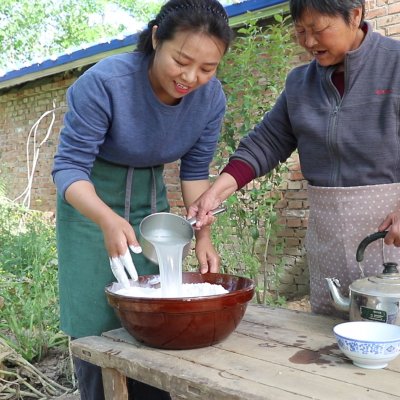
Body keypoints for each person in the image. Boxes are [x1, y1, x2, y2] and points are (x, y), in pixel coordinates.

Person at [52, 1, 233, 399]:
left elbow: (194, 171)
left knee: (156, 313)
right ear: (155, 39)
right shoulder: (105, 83)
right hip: (90, 206)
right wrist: (105, 219)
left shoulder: (210, 99)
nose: (191, 77)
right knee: (97, 324)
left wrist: (203, 236)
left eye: (207, 68)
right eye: (182, 61)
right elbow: (68, 168)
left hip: (150, 205)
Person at [187, 0, 400, 318]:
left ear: (355, 15)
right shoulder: (300, 84)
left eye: (318, 29)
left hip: (390, 232)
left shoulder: (395, 64)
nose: (309, 41)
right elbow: (266, 143)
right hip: (328, 231)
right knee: (327, 337)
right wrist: (214, 194)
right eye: (300, 30)